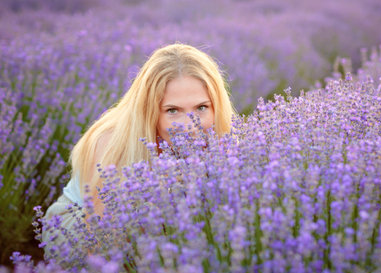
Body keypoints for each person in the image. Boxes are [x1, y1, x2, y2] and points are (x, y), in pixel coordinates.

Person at [41, 43, 236, 258]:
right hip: (79, 233)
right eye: (173, 111)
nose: (190, 127)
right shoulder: (112, 142)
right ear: (150, 110)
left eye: (201, 107)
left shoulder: (220, 137)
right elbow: (100, 242)